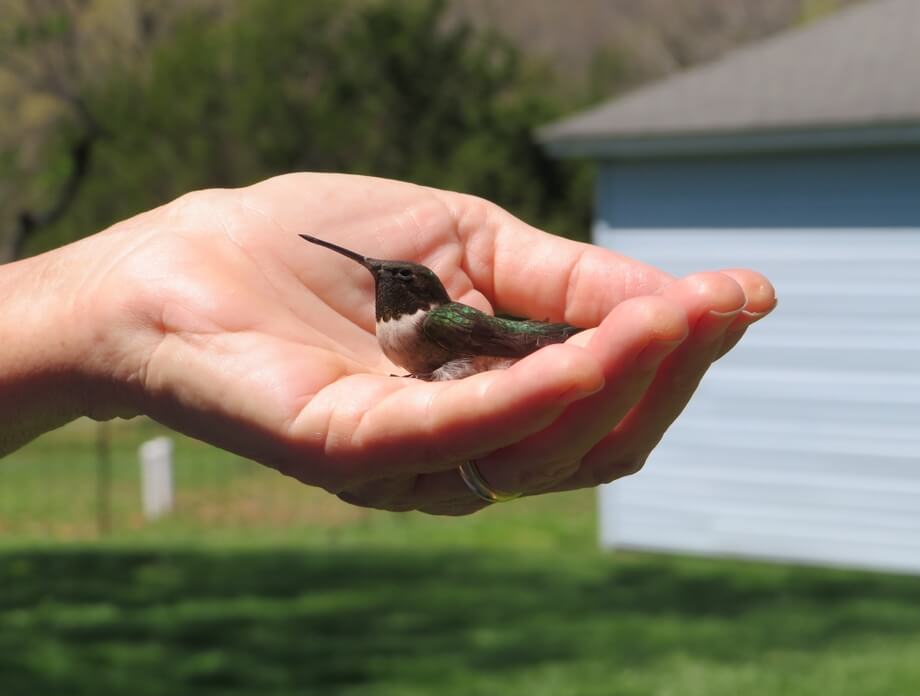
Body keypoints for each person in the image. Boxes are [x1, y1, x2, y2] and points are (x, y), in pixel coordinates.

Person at [0, 172, 775, 515]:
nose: (375, 275)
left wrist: (544, 345)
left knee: (554, 348)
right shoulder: (394, 325)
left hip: (501, 345)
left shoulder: (434, 321)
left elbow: (501, 339)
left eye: (388, 272)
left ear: (415, 292)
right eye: (377, 271)